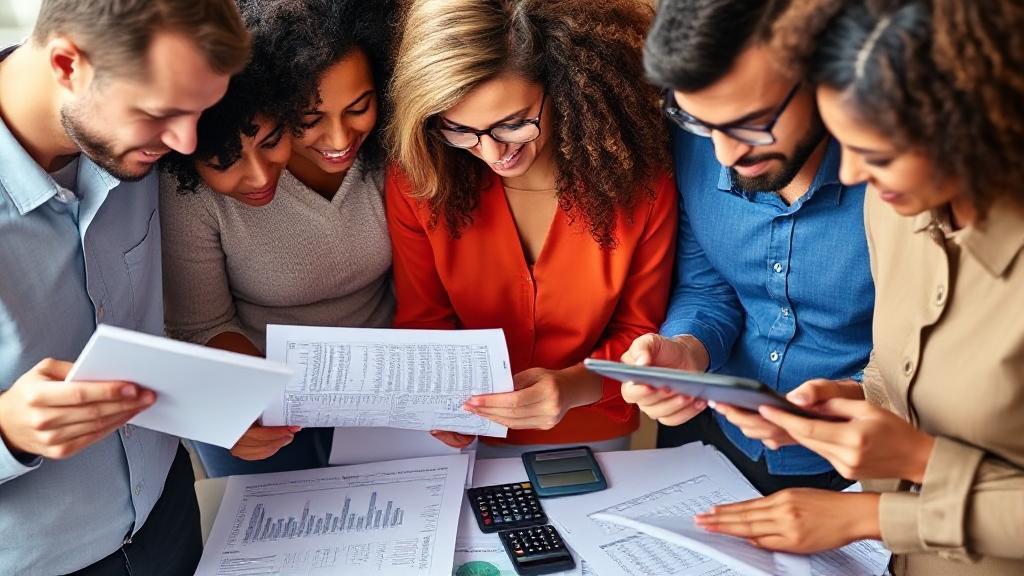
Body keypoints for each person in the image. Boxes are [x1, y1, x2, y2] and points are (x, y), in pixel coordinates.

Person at [695, 2, 1024, 575]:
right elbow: (896, 374)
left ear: (976, 131)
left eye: (876, 156)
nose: (848, 177)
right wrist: (841, 408)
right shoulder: (894, 209)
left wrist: (881, 507)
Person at [0, 0, 249, 574]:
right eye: (159, 113)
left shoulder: (135, 140)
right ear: (67, 64)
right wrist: (8, 430)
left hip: (169, 515)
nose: (186, 143)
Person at [388, 0, 676, 456]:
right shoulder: (419, 181)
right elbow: (424, 320)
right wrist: (437, 406)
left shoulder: (641, 187)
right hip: (467, 432)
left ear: (560, 86)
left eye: (513, 124)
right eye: (460, 130)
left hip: (593, 426)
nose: (491, 153)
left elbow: (639, 331)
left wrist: (573, 387)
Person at [619, 0, 873, 494]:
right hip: (709, 442)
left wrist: (860, 396)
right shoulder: (696, 145)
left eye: (750, 123)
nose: (725, 154)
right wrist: (687, 350)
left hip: (861, 471)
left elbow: (935, 358)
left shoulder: (903, 179)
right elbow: (708, 288)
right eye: (700, 122)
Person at [160, 0, 396, 477]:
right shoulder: (209, 173)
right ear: (277, 103)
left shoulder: (390, 155)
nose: (338, 138)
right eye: (309, 120)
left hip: (382, 386)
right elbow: (201, 323)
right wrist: (254, 398)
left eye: (359, 108)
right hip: (256, 392)